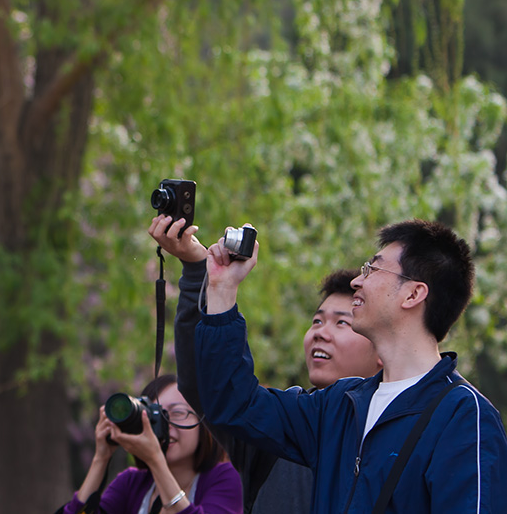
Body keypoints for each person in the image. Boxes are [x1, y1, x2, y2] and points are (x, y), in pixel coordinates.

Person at [194, 219, 507, 513]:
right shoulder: (340, 404)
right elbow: (235, 404)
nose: (357, 281)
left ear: (413, 293)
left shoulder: (463, 417)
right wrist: (222, 290)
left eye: (372, 269)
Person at [149, 215, 382, 513]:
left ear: (381, 348)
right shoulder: (274, 425)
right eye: (317, 320)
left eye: (342, 323)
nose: (321, 333)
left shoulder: (403, 428)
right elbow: (207, 386)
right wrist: (199, 273)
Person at [60, 373, 242, 514]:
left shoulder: (226, 477)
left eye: (177, 413)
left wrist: (156, 461)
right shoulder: (131, 483)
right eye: (155, 415)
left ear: (202, 423)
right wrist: (101, 457)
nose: (165, 424)